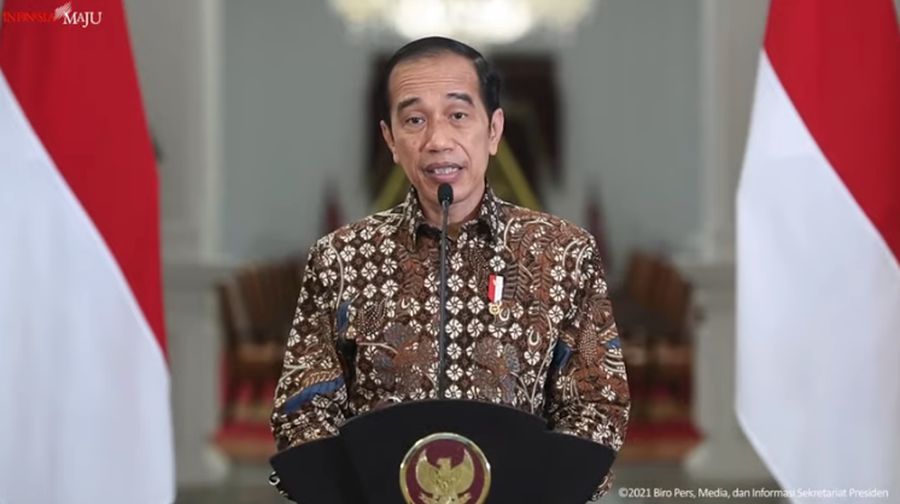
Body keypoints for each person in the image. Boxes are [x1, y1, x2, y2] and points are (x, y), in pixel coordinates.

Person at [269, 36, 629, 500]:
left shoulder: (563, 252)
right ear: (391, 140)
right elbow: (303, 412)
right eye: (414, 120)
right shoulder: (339, 257)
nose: (438, 141)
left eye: (458, 115)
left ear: (494, 130)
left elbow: (597, 405)